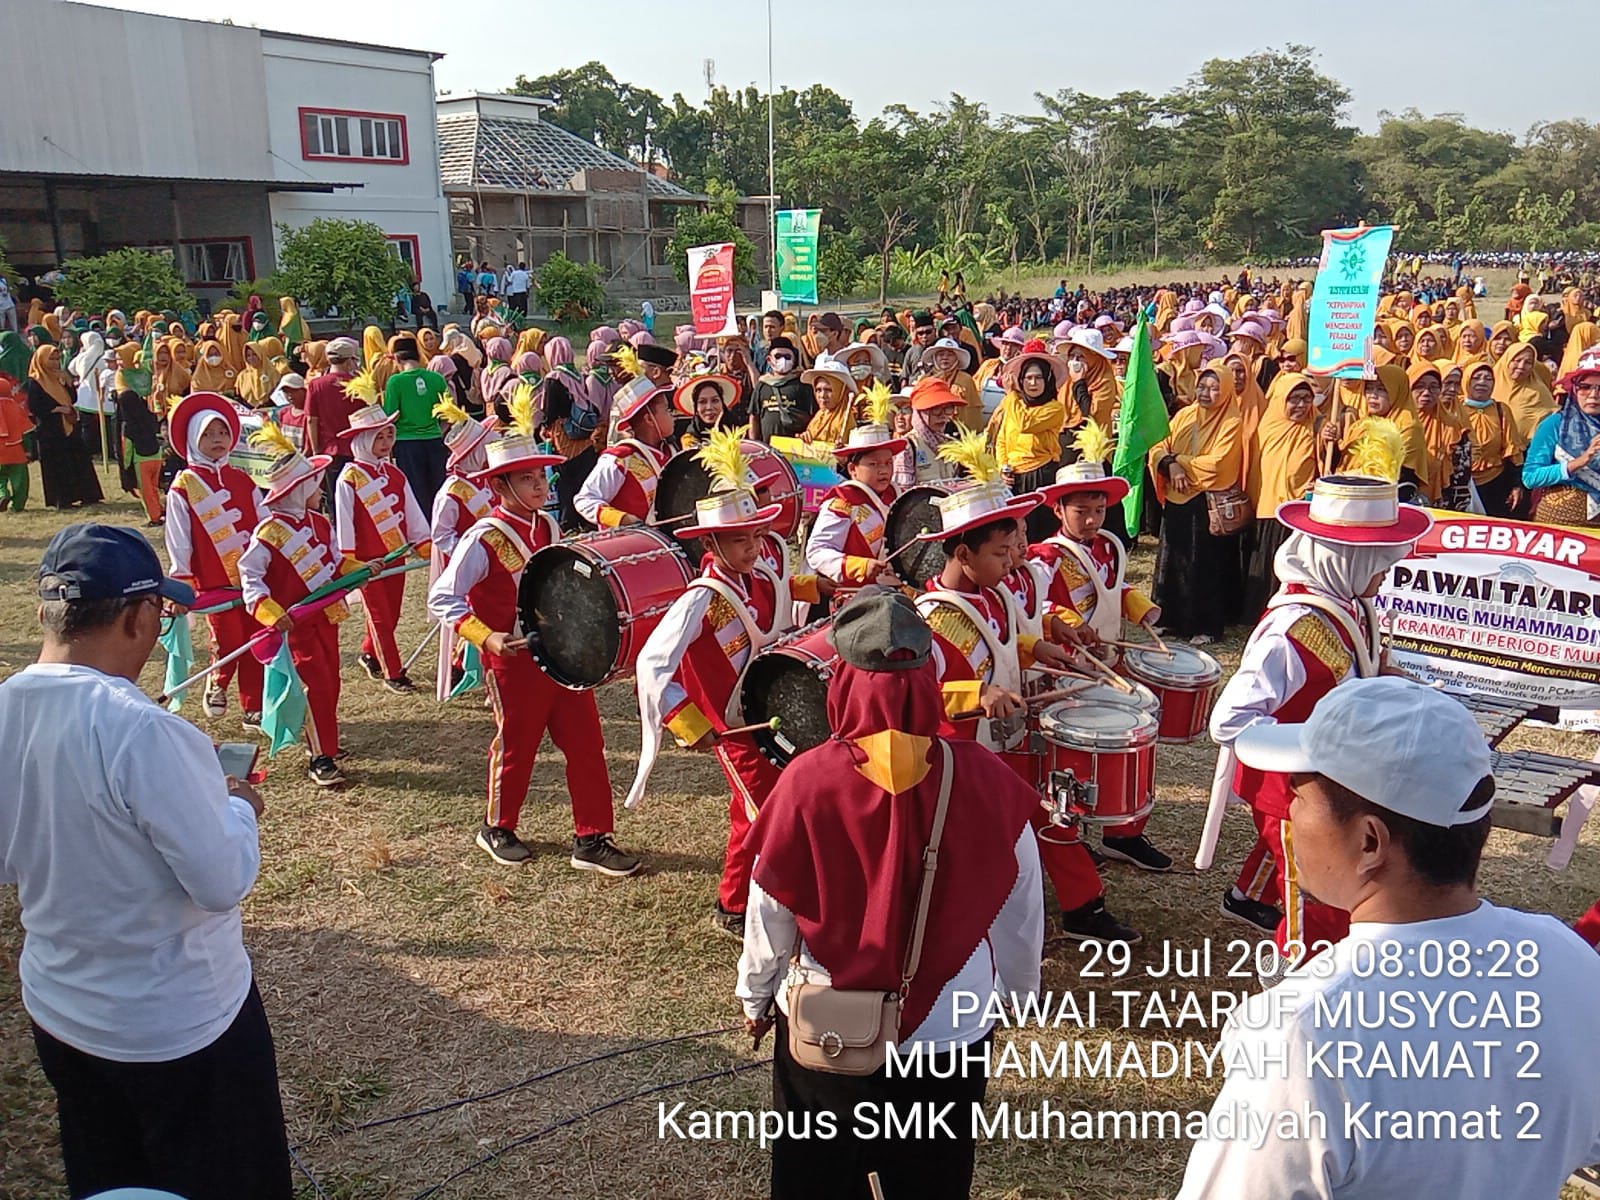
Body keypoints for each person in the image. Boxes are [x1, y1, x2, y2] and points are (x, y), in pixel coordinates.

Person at [1177, 677, 1600, 1200]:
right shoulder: (1571, 963)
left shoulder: (1304, 1032)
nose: (1288, 812)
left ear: (1370, 841)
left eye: (1299, 794)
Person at [0, 523, 291, 1200]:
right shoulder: (144, 731)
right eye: (160, 615)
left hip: (61, 1009)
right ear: (134, 616)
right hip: (177, 1026)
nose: (161, 633)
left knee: (110, 1177)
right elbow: (220, 879)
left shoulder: (8, 707)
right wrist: (240, 808)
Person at [736, 588, 1044, 1200]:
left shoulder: (805, 780)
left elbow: (771, 901)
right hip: (954, 1022)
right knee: (932, 1177)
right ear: (929, 678)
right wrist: (1016, 995)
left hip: (831, 1020)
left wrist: (756, 993)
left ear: (842, 680)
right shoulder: (986, 777)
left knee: (816, 1178)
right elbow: (1021, 904)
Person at [914, 434, 1136, 942]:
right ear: (964, 554)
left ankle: (1080, 903)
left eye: (1015, 546)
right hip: (961, 753)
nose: (1013, 560)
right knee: (1002, 829)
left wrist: (1040, 650)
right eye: (1000, 552)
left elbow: (1007, 643)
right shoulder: (928, 618)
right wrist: (978, 695)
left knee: (1044, 813)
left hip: (1006, 739)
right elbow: (923, 695)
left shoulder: (992, 594)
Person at [1209, 472, 1432, 952]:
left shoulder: (1352, 605)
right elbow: (1230, 720)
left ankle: (1245, 895)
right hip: (1292, 788)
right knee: (1314, 890)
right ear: (1343, 559)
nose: (1385, 573)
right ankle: (1304, 974)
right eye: (1378, 561)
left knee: (1291, 851)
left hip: (1325, 779)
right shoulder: (1290, 630)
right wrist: (1318, 742)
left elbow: (1359, 670)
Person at [428, 424, 640, 874]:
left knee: (587, 743)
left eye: (542, 476)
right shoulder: (483, 537)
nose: (540, 485)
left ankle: (592, 837)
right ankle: (497, 827)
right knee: (517, 745)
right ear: (500, 485)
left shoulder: (547, 523)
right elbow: (443, 597)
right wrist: (487, 636)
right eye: (527, 479)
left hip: (563, 654)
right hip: (514, 662)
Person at [630, 432, 806, 937]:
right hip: (729, 724)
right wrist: (689, 723)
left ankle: (762, 892)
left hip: (767, 714)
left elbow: (783, 603)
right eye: (738, 540)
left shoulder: (759, 574)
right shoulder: (700, 597)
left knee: (767, 806)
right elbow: (652, 664)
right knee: (757, 813)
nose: (751, 548)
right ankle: (732, 904)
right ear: (710, 543)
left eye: (754, 537)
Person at [1027, 458, 1169, 871]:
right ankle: (1068, 834)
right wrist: (1067, 623)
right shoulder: (1045, 557)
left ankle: (1124, 833)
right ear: (1058, 511)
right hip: (1065, 671)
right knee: (1069, 760)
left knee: (1125, 744)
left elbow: (1116, 584)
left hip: (1107, 662)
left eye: (1099, 510)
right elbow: (1036, 606)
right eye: (1081, 511)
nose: (1091, 520)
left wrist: (1139, 607)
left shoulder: (1109, 545)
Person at [239, 425, 369, 787]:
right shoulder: (268, 532)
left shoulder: (318, 523)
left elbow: (333, 564)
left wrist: (359, 569)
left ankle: (327, 742)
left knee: (332, 682)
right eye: (312, 484)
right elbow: (249, 574)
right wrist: (266, 608)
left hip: (326, 618)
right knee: (315, 686)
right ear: (296, 492)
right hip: (295, 625)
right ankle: (319, 756)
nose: (318, 490)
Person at [164, 394, 268, 724]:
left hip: (251, 577)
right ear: (194, 438)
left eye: (222, 433)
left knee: (257, 636)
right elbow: (179, 537)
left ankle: (253, 704)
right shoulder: (183, 487)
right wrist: (181, 577)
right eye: (208, 434)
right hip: (213, 579)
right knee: (228, 639)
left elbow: (265, 523)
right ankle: (217, 682)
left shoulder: (244, 480)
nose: (217, 440)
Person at [334, 404, 431, 693]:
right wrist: (350, 561)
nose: (386, 443)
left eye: (389, 436)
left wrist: (423, 544)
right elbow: (345, 521)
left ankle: (369, 652)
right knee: (380, 616)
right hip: (369, 562)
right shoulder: (348, 478)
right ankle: (393, 673)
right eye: (379, 438)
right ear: (363, 440)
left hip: (396, 557)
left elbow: (411, 511)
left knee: (392, 614)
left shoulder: (395, 474)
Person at [1148, 364, 1243, 645]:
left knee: (1202, 564)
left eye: (1214, 388)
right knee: (1172, 558)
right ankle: (1169, 618)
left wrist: (1178, 463)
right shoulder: (1185, 415)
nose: (1206, 393)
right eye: (1202, 386)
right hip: (1177, 499)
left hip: (1204, 501)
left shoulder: (1231, 422)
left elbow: (1218, 464)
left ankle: (1204, 625)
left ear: (1225, 391)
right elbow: (1158, 446)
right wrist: (1169, 464)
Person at [804, 390, 905, 604]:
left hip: (895, 594)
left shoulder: (896, 496)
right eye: (874, 464)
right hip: (854, 599)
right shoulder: (841, 502)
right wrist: (860, 566)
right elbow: (817, 551)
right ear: (853, 469)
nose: (883, 470)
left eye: (888, 463)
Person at [1243, 372, 1322, 618]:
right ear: (1280, 401)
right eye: (1294, 399)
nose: (1301, 405)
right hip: (1269, 506)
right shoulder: (1267, 427)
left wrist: (1329, 438)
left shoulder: (1317, 426)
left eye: (1306, 399)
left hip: (1300, 509)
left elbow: (1328, 463)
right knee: (1268, 562)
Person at [573, 376, 676, 527]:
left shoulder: (672, 453)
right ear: (649, 419)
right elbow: (585, 500)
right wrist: (621, 519)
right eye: (667, 410)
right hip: (632, 545)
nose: (672, 415)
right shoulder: (620, 459)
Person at [991, 343, 1068, 540]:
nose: (1033, 383)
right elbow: (1002, 439)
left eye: (1038, 378)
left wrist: (1011, 395)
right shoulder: (1014, 404)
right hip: (1014, 476)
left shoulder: (1054, 408)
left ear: (1048, 380)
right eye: (1028, 378)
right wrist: (1003, 467)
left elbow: (1026, 424)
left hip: (1041, 474)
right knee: (1015, 533)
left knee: (1039, 532)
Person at [1523, 348, 1600, 526]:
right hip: (1561, 524)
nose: (1593, 395)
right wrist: (1579, 462)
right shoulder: (1556, 424)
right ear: (1574, 390)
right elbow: (1530, 477)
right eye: (1585, 387)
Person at [24, 344, 102, 509]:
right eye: (51, 359)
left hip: (69, 425)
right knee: (58, 464)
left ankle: (87, 495)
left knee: (78, 459)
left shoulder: (59, 377)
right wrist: (57, 409)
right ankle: (63, 499)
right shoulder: (36, 381)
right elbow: (34, 406)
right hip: (50, 430)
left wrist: (68, 383)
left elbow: (72, 398)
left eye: (57, 359)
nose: (54, 363)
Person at [380, 334, 450, 510]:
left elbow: (391, 415)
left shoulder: (395, 381)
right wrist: (437, 431)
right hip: (434, 441)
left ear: (396, 358)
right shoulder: (437, 379)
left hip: (407, 443)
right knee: (439, 489)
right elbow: (449, 414)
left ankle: (424, 532)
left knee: (416, 492)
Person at [303, 337, 364, 506]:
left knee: (334, 499)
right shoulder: (359, 385)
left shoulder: (316, 384)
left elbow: (311, 421)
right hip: (357, 449)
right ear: (349, 360)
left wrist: (316, 451)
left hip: (329, 450)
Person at [749, 336, 815, 442]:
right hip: (768, 448)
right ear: (769, 360)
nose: (783, 360)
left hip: (794, 449)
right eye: (778, 356)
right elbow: (754, 417)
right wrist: (755, 444)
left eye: (787, 357)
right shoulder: (762, 385)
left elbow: (813, 416)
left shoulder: (803, 384)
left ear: (794, 360)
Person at [675, 373, 739, 450]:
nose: (709, 407)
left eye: (715, 400)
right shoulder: (689, 440)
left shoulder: (738, 429)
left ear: (722, 403)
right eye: (702, 402)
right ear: (696, 407)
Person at [0, 376, 31, 512]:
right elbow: (26, 430)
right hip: (16, 450)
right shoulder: (16, 407)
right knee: (20, 481)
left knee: (0, 478)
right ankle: (17, 505)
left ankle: (2, 495)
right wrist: (29, 449)